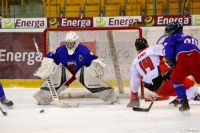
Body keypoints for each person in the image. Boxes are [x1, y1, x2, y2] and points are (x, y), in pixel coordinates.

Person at [33, 31, 119, 105]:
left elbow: (94, 60)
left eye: (72, 43)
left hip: (81, 72)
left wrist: (97, 66)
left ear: (76, 42)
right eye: (68, 43)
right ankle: (43, 97)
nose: (69, 45)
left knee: (91, 82)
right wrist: (46, 65)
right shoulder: (61, 50)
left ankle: (111, 96)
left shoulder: (84, 51)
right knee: (58, 75)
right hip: (66, 72)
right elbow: (50, 57)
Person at [127, 37, 200, 108]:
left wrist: (134, 98)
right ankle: (179, 100)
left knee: (180, 87)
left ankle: (193, 96)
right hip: (166, 81)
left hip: (157, 90)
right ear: (147, 44)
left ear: (137, 49)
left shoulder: (134, 62)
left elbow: (134, 81)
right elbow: (170, 52)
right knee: (193, 88)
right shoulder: (154, 48)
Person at [163, 21, 200, 111]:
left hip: (183, 59)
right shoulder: (191, 38)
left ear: (172, 31)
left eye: (169, 32)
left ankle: (183, 102)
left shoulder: (170, 39)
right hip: (198, 58)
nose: (167, 34)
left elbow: (169, 54)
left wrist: (171, 64)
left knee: (176, 80)